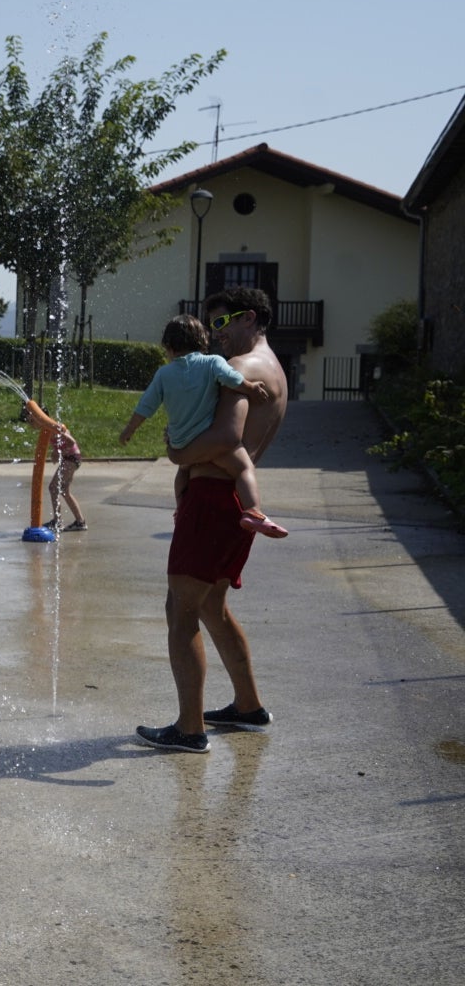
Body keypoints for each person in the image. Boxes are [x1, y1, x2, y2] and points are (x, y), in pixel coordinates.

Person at [135, 288, 289, 753]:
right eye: (211, 325)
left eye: (223, 323)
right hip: (235, 503)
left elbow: (225, 436)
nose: (216, 334)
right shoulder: (274, 369)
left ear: (251, 318)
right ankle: (248, 707)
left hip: (211, 499)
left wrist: (177, 452)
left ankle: (190, 729)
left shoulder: (241, 369)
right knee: (211, 606)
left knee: (180, 610)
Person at [120, 314, 287, 539]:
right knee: (243, 468)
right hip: (208, 440)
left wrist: (129, 430)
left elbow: (145, 406)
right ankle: (252, 511)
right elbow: (232, 379)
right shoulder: (212, 363)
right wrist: (251, 388)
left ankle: (180, 509)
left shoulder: (163, 374)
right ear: (203, 342)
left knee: (183, 472)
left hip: (180, 443)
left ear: (168, 347)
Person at [45, 420, 87, 532]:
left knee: (53, 488)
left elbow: (72, 442)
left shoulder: (54, 428)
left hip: (71, 459)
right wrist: (56, 452)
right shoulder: (48, 429)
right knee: (64, 490)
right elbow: (61, 444)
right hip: (71, 459)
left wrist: (60, 452)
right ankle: (80, 522)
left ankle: (57, 522)